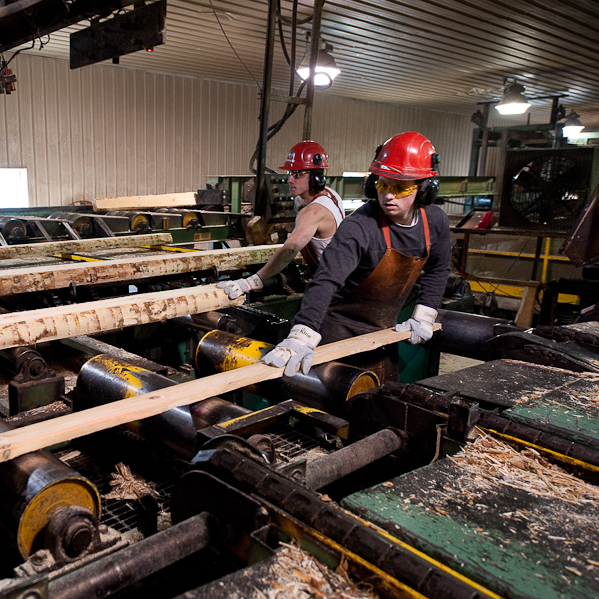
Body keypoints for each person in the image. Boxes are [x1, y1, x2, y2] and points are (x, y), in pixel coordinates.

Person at [262, 131, 452, 381]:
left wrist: (426, 312)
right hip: (335, 330)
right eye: (383, 185)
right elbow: (326, 280)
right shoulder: (359, 227)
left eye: (401, 188)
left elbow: (438, 269)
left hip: (381, 334)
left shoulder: (435, 221)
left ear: (424, 189)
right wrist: (302, 334)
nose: (389, 195)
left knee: (378, 400)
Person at [217, 141, 345, 299]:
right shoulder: (332, 195)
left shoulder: (313, 212)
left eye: (297, 174)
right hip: (340, 274)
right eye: (290, 173)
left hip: (332, 286)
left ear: (316, 178)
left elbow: (289, 251)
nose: (290, 180)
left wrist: (249, 283)